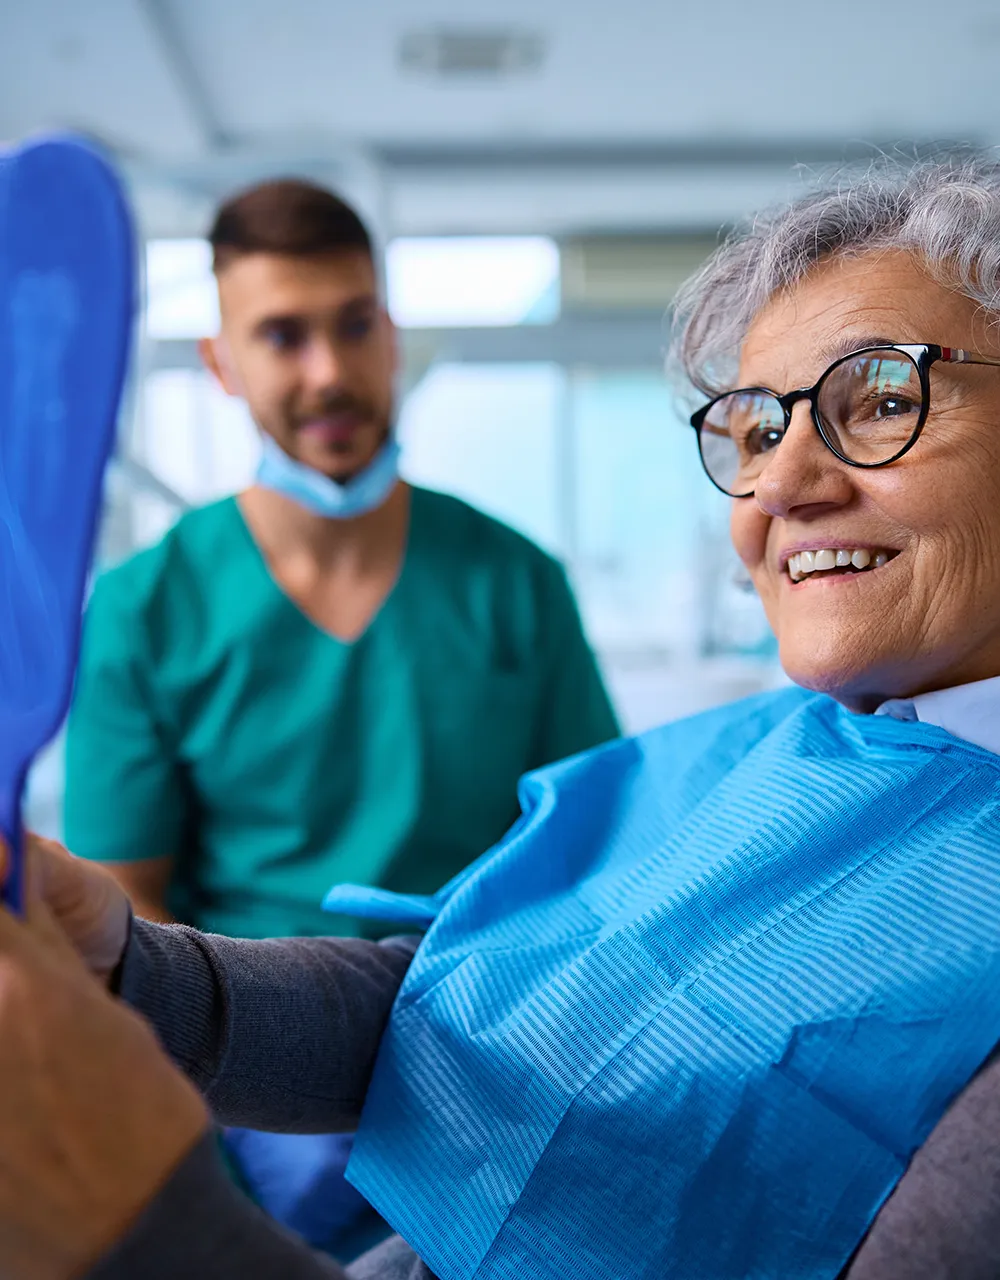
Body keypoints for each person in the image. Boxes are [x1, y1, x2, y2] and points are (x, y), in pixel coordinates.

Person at [6, 152, 1000, 1279]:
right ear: (221, 364)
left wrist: (149, 1221)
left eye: (881, 398)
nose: (778, 484)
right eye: (759, 429)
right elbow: (477, 976)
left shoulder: (507, 579)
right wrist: (128, 972)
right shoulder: (759, 754)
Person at [60, 178, 619, 1252]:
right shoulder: (144, 610)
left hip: (488, 1055)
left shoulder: (514, 582)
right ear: (222, 364)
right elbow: (123, 920)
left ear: (390, 335)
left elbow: (591, 858)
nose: (327, 370)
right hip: (242, 1078)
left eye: (352, 324)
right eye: (282, 334)